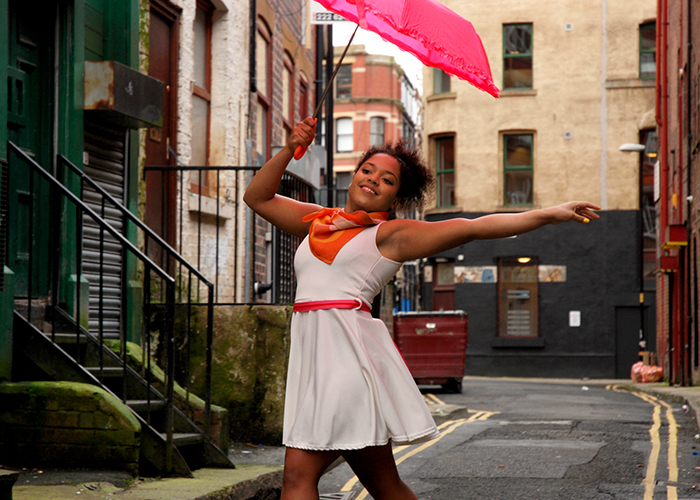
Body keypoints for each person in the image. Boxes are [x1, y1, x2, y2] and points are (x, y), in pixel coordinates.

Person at [243, 117, 600, 500]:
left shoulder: (391, 236)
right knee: (386, 486)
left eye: (387, 180)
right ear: (354, 174)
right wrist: (289, 148)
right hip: (318, 362)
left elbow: (473, 226)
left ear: (395, 199)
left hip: (348, 364)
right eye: (368, 170)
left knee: (298, 477)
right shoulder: (317, 221)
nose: (373, 180)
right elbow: (257, 197)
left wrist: (549, 213)